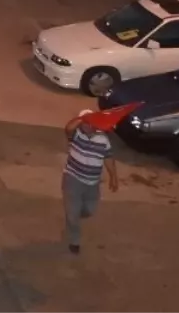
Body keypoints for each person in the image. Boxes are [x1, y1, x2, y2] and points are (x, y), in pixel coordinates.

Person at [62, 109, 119, 254]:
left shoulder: (102, 139)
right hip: (72, 180)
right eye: (85, 123)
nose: (88, 126)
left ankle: (73, 215)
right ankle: (74, 240)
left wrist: (113, 177)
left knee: (90, 210)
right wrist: (83, 118)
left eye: (91, 123)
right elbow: (68, 128)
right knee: (72, 215)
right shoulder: (76, 135)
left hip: (92, 183)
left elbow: (108, 158)